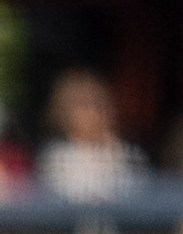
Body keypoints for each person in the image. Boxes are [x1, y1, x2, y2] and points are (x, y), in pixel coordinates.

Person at [38, 71, 145, 201]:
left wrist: (114, 153)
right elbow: (69, 196)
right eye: (84, 105)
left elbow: (138, 196)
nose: (94, 111)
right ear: (63, 112)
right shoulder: (56, 155)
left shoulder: (127, 152)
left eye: (98, 103)